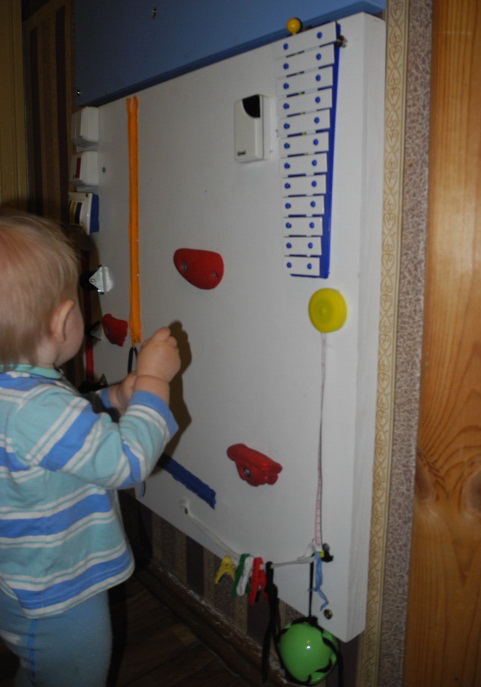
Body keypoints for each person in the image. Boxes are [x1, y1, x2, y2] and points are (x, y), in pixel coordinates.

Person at [0, 208, 181, 686]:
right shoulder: (36, 407)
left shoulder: (17, 392)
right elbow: (128, 462)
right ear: (64, 319)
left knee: (40, 669)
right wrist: (155, 383)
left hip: (21, 577)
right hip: (58, 593)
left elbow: (57, 439)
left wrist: (113, 399)